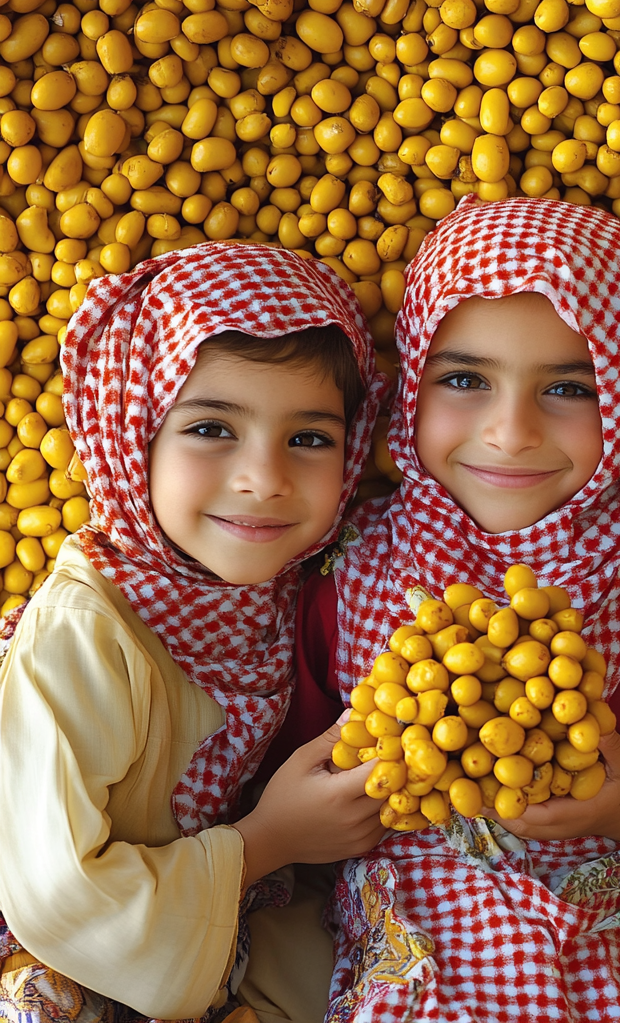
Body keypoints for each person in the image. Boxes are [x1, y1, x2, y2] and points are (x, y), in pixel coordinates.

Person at [293, 196, 620, 1022]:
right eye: (464, 380)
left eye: (568, 387)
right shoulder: (347, 570)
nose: (511, 431)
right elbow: (295, 772)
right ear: (410, 381)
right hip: (420, 971)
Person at [0, 242, 391, 1023]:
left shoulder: (287, 595)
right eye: (213, 428)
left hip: (222, 909)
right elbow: (55, 893)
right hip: (63, 945)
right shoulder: (86, 630)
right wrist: (266, 843)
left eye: (309, 438)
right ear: (129, 439)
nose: (266, 478)